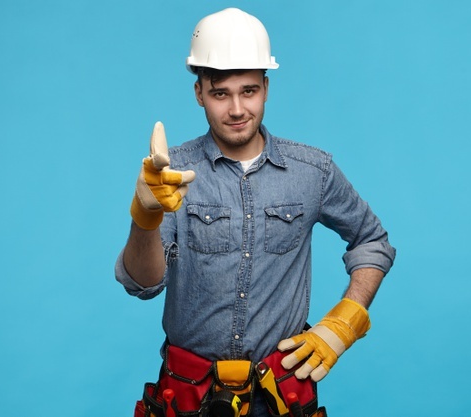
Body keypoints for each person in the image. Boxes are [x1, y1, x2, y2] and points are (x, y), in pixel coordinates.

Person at [115, 7, 396, 417]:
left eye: (248, 91)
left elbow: (373, 242)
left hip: (281, 399)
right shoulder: (170, 174)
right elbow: (143, 284)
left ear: (266, 86)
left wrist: (344, 322)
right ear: (199, 93)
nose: (236, 109)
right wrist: (145, 215)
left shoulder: (312, 172)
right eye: (220, 93)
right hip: (189, 399)